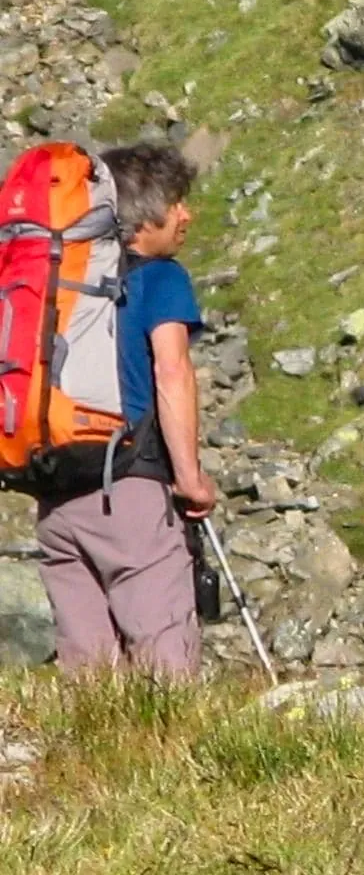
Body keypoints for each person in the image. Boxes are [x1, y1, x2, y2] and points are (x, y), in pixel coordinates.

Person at [35, 143, 216, 680]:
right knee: (165, 661)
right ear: (144, 218)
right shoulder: (160, 278)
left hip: (55, 492)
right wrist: (190, 479)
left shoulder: (59, 285)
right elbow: (171, 371)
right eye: (178, 202)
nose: (187, 214)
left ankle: (91, 760)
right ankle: (174, 758)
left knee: (89, 670)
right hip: (129, 487)